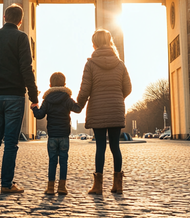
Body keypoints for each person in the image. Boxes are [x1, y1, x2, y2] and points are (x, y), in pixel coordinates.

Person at [0, 3, 39, 194]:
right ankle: (6, 184)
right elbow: (26, 68)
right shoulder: (21, 37)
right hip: (15, 96)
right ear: (20, 21)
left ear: (4, 17)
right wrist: (34, 96)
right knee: (11, 142)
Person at [77, 29, 132, 194]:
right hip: (116, 109)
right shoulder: (120, 64)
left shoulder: (90, 64)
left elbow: (85, 89)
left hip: (98, 110)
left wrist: (78, 106)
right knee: (116, 147)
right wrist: (117, 97)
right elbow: (128, 88)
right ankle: (118, 185)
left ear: (94, 44)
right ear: (109, 42)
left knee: (100, 146)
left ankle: (98, 186)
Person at [32, 72, 82, 195]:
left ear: (50, 84)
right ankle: (62, 187)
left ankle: (50, 188)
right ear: (64, 84)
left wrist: (34, 107)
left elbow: (40, 115)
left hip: (52, 135)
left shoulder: (47, 100)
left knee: (52, 161)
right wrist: (82, 97)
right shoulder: (67, 98)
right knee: (63, 161)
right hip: (64, 134)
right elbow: (77, 109)